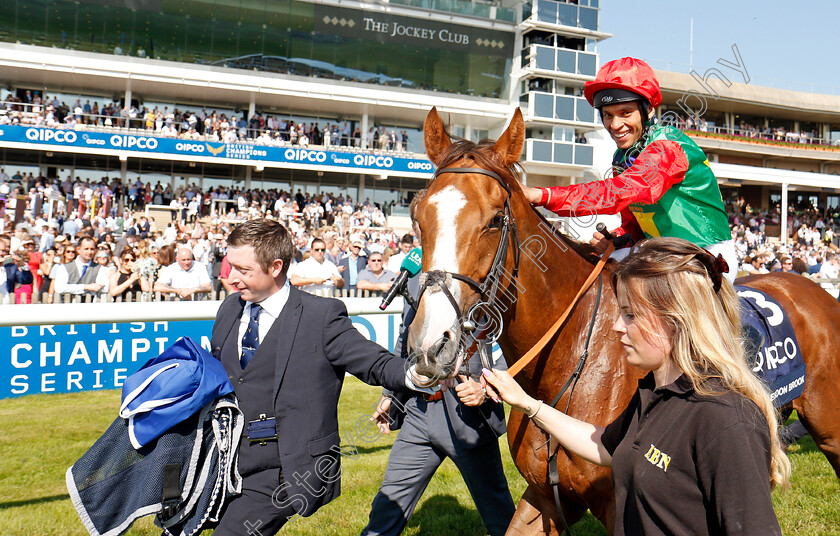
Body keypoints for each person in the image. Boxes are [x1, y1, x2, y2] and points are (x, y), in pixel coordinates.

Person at [483, 237, 790, 535]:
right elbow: (604, 446)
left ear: (676, 320)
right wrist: (527, 404)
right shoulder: (651, 392)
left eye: (630, 314)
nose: (617, 326)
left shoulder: (726, 418)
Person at [209, 218, 421, 535]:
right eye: (231, 267)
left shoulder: (321, 316)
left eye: (243, 270)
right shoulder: (230, 308)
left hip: (283, 467)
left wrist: (420, 372)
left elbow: (375, 362)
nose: (232, 279)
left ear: (275, 267)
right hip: (224, 462)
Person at [361, 195, 515, 536]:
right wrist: (391, 395)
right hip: (418, 414)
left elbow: (507, 341)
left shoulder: (481, 270)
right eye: (423, 224)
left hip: (468, 419)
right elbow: (406, 339)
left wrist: (487, 387)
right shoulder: (414, 277)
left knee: (500, 517)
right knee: (385, 511)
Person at [521, 57, 736, 281]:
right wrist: (618, 238)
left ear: (649, 109)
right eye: (608, 115)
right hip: (663, 254)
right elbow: (635, 224)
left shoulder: (667, 148)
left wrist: (543, 195)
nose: (614, 125)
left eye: (625, 113)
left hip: (706, 255)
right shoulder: (623, 157)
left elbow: (619, 191)